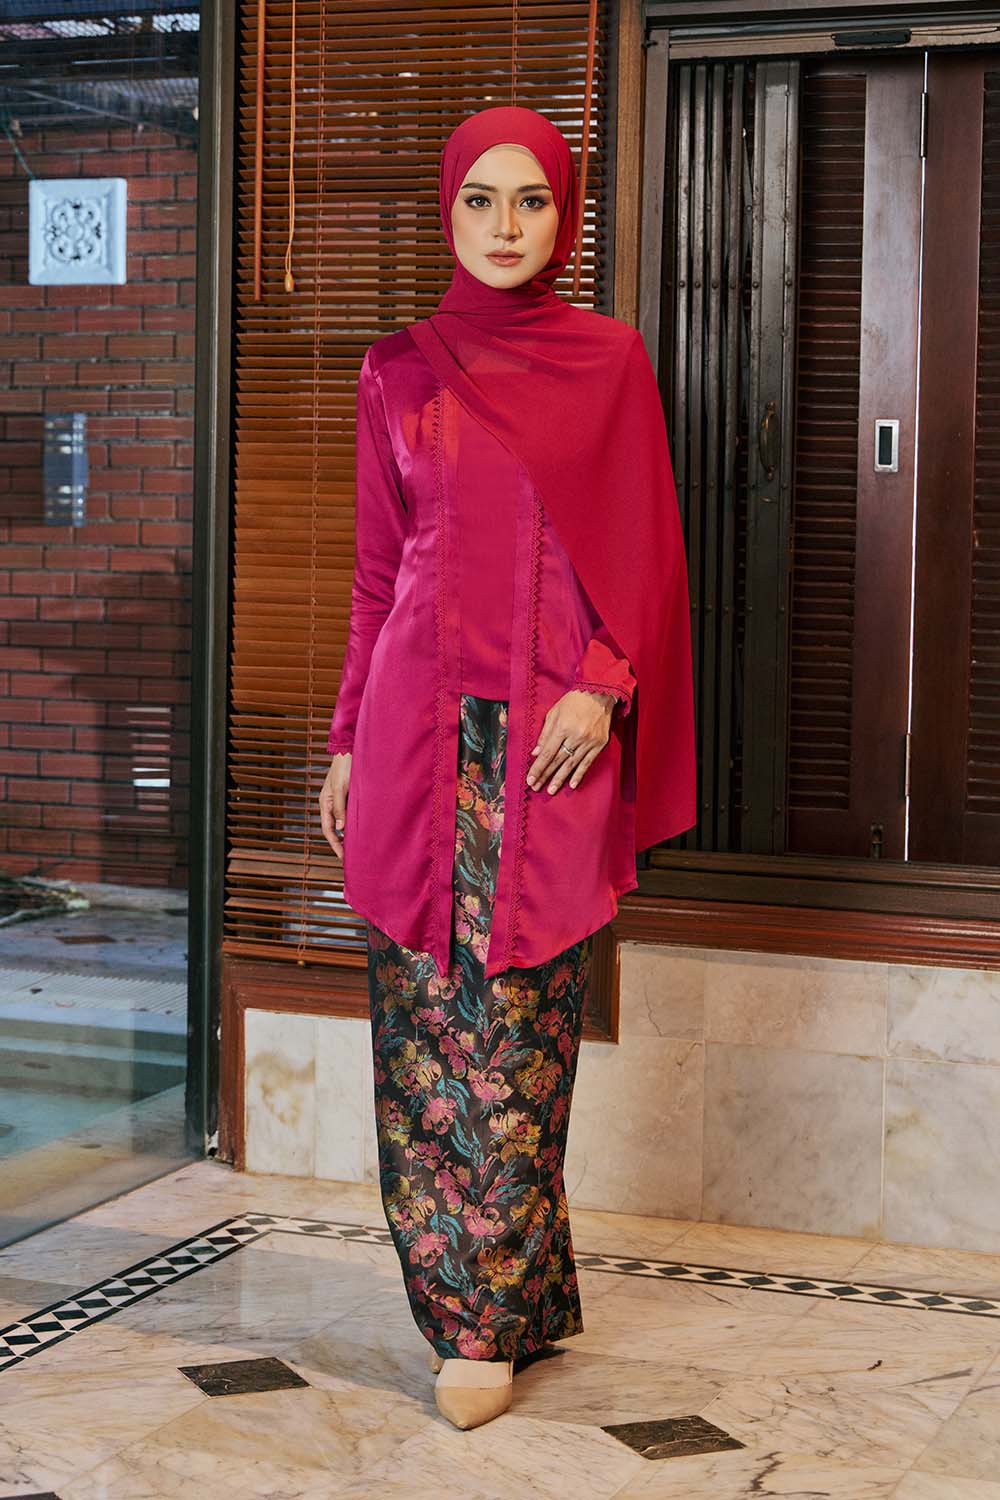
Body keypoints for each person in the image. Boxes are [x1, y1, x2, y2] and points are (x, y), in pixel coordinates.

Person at [319, 104, 695, 1430]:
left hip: (544, 745)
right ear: (447, 210)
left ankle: (497, 1314)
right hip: (416, 739)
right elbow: (377, 578)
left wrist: (605, 683)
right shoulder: (396, 371)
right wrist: (347, 740)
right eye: (478, 199)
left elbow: (645, 552)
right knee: (425, 1038)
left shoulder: (608, 362)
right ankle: (477, 1319)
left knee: (520, 1039)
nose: (502, 225)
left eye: (530, 199)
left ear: (564, 216)